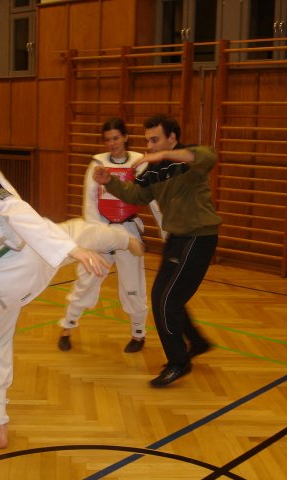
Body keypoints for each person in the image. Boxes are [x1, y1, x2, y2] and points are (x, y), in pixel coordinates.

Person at [0, 111, 144, 449]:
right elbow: (17, 211)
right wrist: (72, 250)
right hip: (23, 262)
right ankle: (125, 240)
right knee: (76, 231)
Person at [92, 113, 221, 387]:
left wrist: (163, 156)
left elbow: (208, 156)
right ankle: (196, 342)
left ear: (172, 138)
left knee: (167, 302)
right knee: (163, 296)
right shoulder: (153, 170)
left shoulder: (189, 159)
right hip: (176, 238)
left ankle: (178, 363)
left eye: (155, 140)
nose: (149, 146)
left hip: (199, 238)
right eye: (147, 140)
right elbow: (136, 195)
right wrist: (109, 181)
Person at [58, 117, 163, 353]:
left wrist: (167, 233)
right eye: (107, 140)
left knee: (133, 285)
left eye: (116, 138)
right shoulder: (97, 165)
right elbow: (89, 203)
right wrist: (97, 234)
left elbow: (154, 200)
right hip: (102, 229)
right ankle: (67, 326)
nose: (112, 143)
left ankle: (138, 334)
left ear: (125, 137)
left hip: (129, 231)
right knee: (87, 279)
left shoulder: (139, 163)